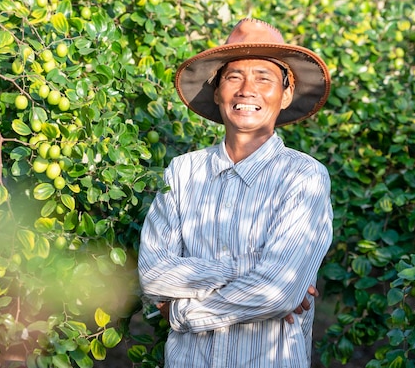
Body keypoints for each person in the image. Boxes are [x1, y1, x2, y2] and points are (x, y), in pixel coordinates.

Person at [138, 18, 334, 367]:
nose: (247, 89)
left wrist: (181, 311)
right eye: (233, 77)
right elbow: (153, 275)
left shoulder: (304, 177)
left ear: (286, 94)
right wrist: (250, 268)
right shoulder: (183, 172)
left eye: (263, 77)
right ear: (217, 91)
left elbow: (277, 292)